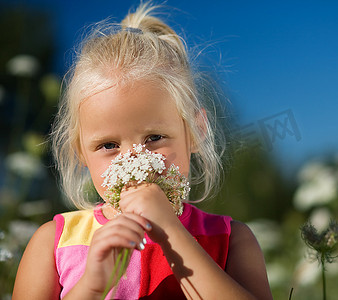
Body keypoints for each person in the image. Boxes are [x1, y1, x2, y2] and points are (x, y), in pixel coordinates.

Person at [12, 2, 272, 299]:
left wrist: (172, 232)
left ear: (196, 132)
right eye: (108, 145)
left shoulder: (231, 239)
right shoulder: (54, 244)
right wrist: (91, 286)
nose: (135, 160)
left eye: (155, 137)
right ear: (80, 151)